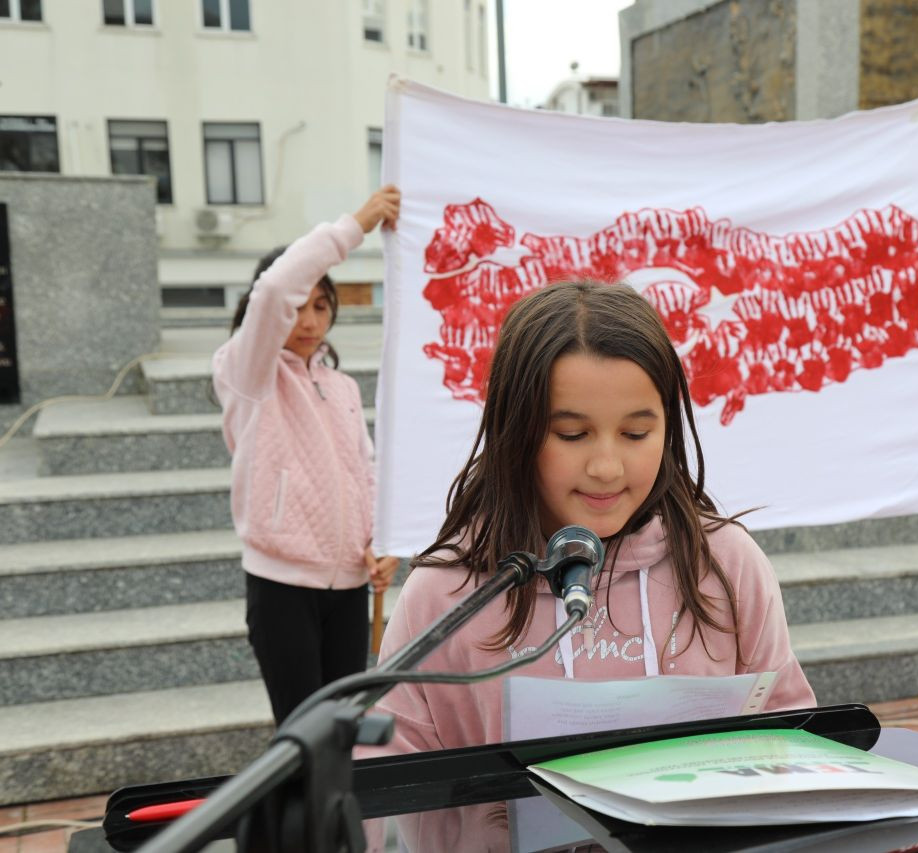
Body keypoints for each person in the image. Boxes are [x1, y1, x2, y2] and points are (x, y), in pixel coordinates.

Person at [373, 280, 816, 754]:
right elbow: (385, 775)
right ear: (514, 431)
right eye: (571, 434)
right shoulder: (447, 593)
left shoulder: (725, 563)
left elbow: (788, 730)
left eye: (635, 432)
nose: (606, 467)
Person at [212, 185, 402, 726]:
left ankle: (334, 817)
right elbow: (275, 288)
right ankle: (295, 817)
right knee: (301, 742)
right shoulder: (247, 373)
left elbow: (366, 471)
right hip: (281, 590)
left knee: (341, 737)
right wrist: (357, 223)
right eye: (300, 306)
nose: (309, 320)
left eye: (321, 306)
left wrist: (380, 543)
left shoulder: (339, 386)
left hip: (349, 587)